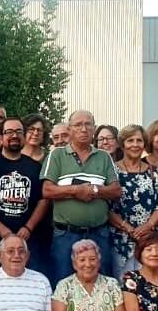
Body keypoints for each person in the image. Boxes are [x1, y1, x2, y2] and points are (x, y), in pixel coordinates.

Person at [41, 110, 121, 284]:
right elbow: (47, 190)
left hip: (99, 233)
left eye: (88, 124)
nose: (83, 129)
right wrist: (76, 190)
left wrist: (95, 190)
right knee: (62, 283)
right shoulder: (57, 155)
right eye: (78, 125)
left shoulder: (104, 157)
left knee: (103, 283)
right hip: (66, 235)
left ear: (94, 129)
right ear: (69, 129)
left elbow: (116, 191)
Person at [0, 116, 49, 275]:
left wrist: (28, 227)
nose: (14, 135)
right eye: (9, 132)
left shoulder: (35, 168)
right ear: (1, 137)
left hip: (28, 239)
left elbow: (43, 201)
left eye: (18, 131)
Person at [107, 124, 158, 278]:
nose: (135, 145)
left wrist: (147, 226)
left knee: (149, 282)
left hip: (149, 241)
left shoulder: (153, 172)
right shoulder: (111, 171)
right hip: (120, 242)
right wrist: (128, 228)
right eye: (130, 140)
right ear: (122, 144)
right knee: (123, 283)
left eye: (139, 141)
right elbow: (106, 207)